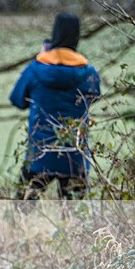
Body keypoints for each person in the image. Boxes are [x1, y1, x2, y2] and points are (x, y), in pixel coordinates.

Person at [10, 13, 101, 200]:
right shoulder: (89, 73)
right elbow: (94, 98)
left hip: (39, 155)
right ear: (77, 37)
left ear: (54, 34)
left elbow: (17, 100)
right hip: (75, 156)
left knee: (21, 208)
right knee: (73, 213)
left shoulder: (35, 68)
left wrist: (44, 56)